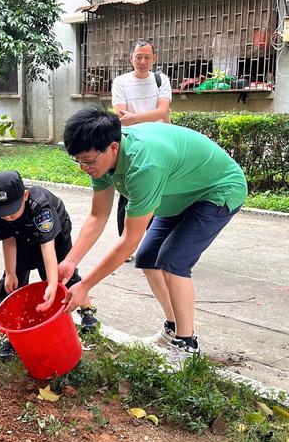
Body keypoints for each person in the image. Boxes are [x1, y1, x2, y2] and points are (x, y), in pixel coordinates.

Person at [59, 106, 247, 363]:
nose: (83, 167)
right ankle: (173, 329)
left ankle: (187, 346)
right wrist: (71, 261)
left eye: (88, 161)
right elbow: (97, 216)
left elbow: (128, 242)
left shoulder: (144, 165)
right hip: (178, 194)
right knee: (148, 257)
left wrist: (86, 286)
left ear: (113, 147)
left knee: (173, 261)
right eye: (78, 160)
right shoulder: (100, 163)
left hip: (217, 190)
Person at [0, 170, 99, 360]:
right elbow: (8, 240)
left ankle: (87, 311)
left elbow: (48, 247)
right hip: (21, 237)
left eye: (12, 211)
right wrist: (11, 272)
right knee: (11, 284)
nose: (6, 217)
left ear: (25, 196)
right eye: (2, 213)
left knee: (64, 276)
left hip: (54, 236)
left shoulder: (41, 205)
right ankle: (11, 335)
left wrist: (52, 284)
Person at [112, 39, 172, 257]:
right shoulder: (120, 82)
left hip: (158, 144)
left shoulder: (160, 80)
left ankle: (152, 244)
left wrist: (135, 117)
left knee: (158, 193)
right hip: (131, 143)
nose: (143, 61)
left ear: (154, 58)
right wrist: (148, 116)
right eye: (138, 57)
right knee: (127, 192)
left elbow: (162, 111)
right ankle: (125, 245)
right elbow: (120, 114)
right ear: (131, 58)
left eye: (147, 57)